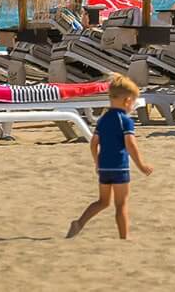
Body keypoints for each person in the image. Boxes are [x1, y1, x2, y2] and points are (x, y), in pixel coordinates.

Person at [66, 74, 152, 240]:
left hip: (104, 167)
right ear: (127, 101)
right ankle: (124, 238)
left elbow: (93, 143)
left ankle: (79, 223)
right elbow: (131, 145)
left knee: (103, 202)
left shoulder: (103, 119)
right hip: (120, 167)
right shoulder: (125, 121)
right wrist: (141, 165)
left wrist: (97, 163)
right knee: (121, 205)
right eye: (133, 102)